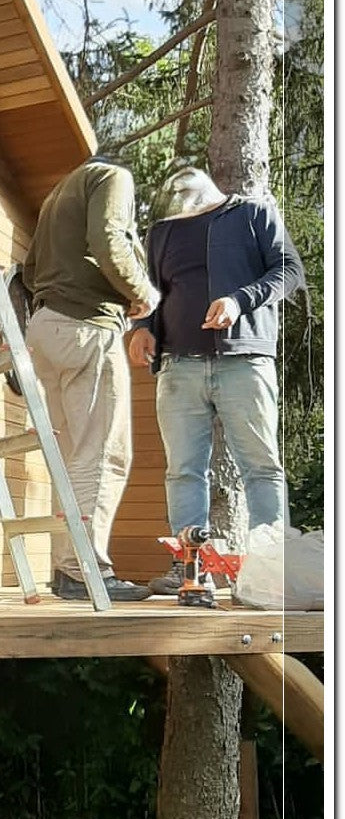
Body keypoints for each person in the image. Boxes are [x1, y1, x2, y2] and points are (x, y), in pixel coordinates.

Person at [127, 167, 304, 594]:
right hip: (178, 366)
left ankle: (272, 571)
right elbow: (152, 290)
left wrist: (238, 301)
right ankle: (189, 570)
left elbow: (289, 272)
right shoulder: (163, 232)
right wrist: (144, 327)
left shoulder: (253, 214)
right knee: (183, 470)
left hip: (245, 360)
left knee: (260, 467)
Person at [22, 156, 160, 601]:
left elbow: (28, 272)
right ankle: (86, 570)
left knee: (72, 456)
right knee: (104, 454)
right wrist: (142, 292)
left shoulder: (56, 196)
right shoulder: (113, 177)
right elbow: (108, 239)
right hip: (87, 328)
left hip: (46, 329)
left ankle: (69, 569)